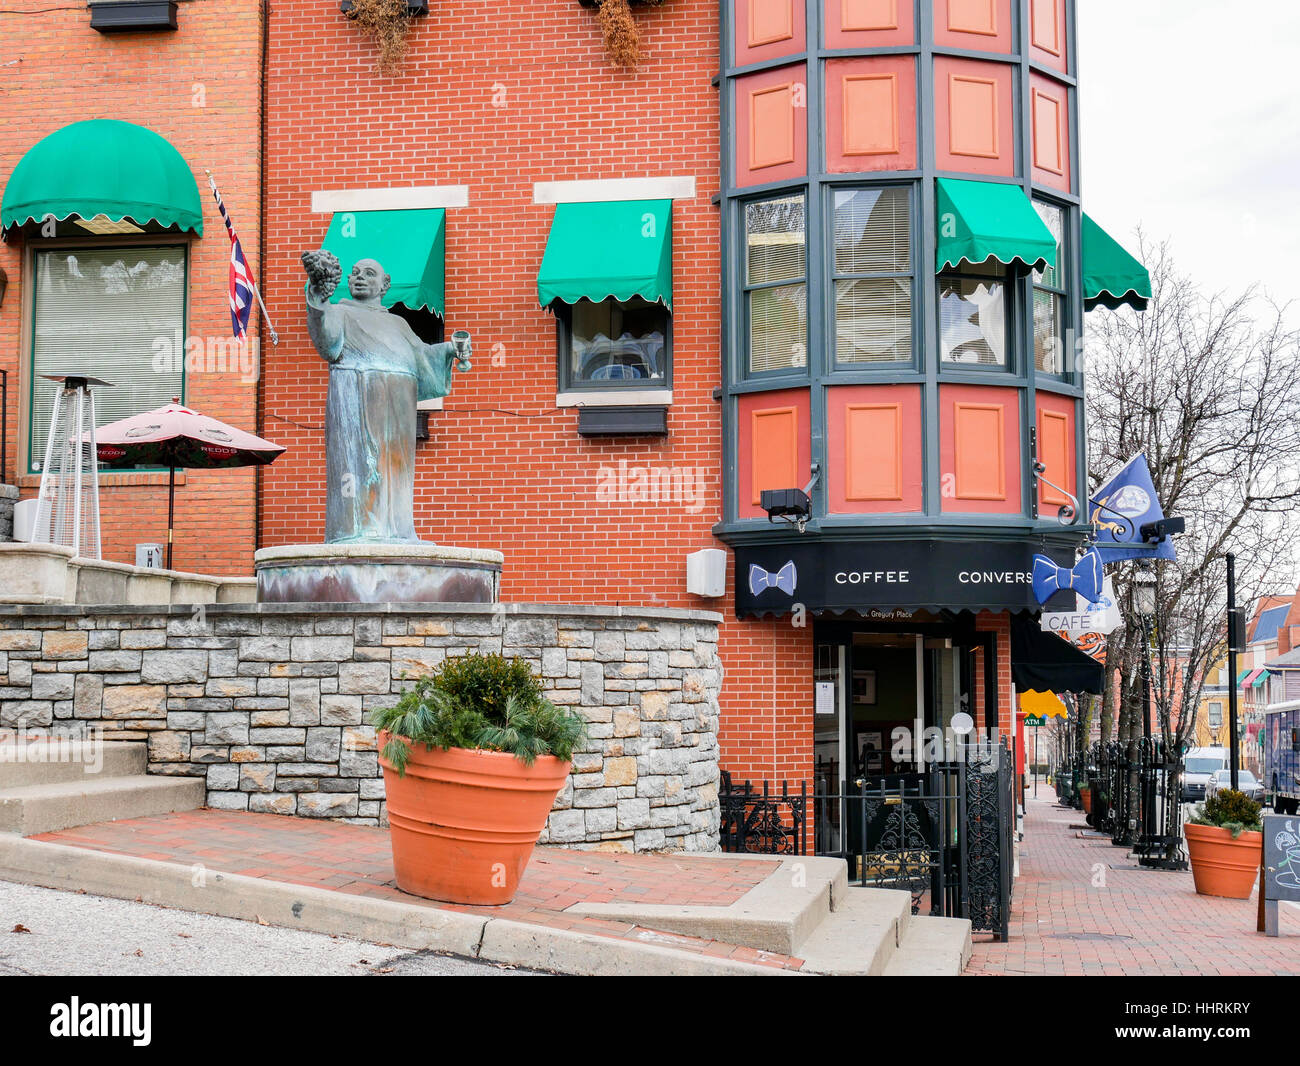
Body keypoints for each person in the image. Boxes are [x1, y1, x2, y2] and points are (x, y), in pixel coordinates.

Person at [301, 250, 470, 543]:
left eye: (369, 274)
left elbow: (420, 358)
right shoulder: (339, 312)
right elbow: (327, 345)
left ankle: (398, 531)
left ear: (384, 284)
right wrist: (318, 293)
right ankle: (356, 533)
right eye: (355, 272)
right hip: (357, 397)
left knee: (395, 470)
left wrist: (449, 350)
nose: (359, 278)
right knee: (361, 465)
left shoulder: (398, 324)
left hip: (398, 406)